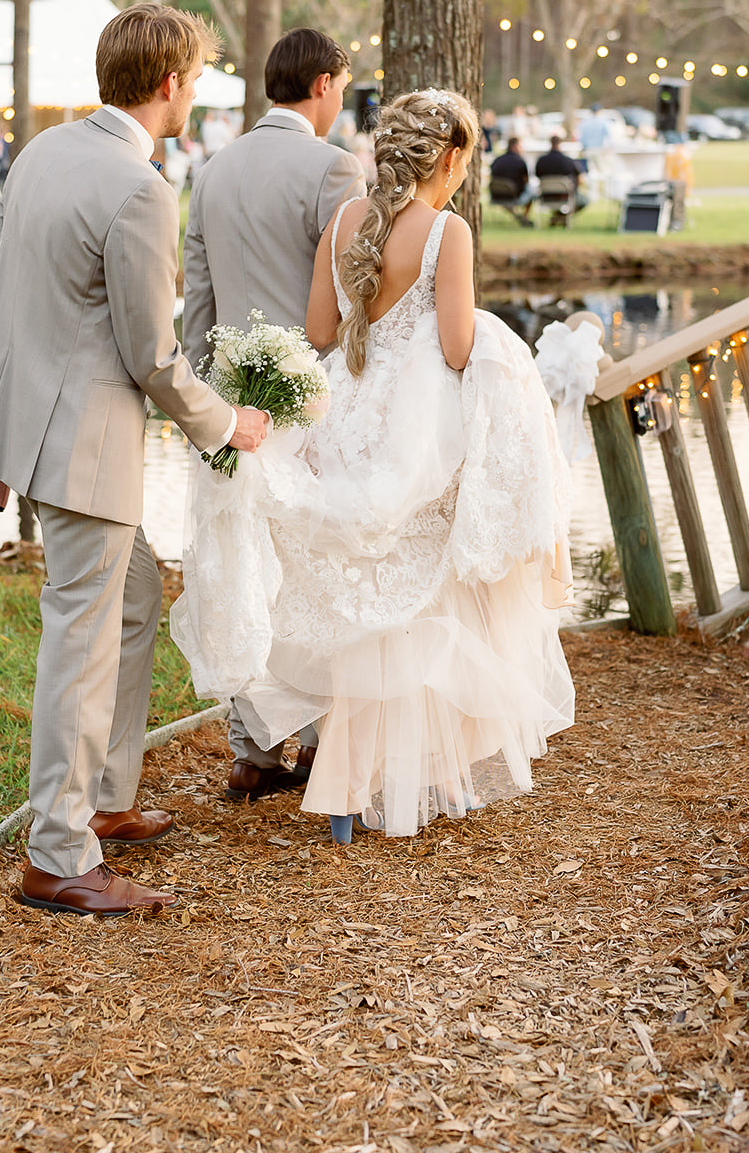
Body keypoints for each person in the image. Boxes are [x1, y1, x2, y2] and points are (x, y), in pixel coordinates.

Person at [174, 90, 575, 841]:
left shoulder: (343, 222)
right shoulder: (445, 233)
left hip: (348, 408)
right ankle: (382, 771)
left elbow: (321, 329)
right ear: (450, 158)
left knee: (361, 586)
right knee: (420, 590)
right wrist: (499, 355)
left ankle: (349, 783)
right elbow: (456, 348)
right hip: (416, 421)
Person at [0, 4, 269, 918]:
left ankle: (108, 797)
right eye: (198, 77)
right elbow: (152, 355)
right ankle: (57, 853)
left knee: (131, 597)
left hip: (38, 433)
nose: (197, 91)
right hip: (86, 451)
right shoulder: (141, 190)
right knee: (79, 643)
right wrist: (225, 425)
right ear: (170, 84)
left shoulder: (44, 151)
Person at [183, 27, 366, 802]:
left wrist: (204, 402)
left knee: (239, 563)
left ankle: (250, 751)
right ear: (323, 84)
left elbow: (198, 299)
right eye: (343, 85)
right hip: (311, 398)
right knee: (314, 565)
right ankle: (323, 744)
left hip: (227, 400)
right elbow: (350, 294)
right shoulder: (333, 168)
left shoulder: (213, 168)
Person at [534, 134, 589, 221]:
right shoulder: (568, 161)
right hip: (564, 196)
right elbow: (579, 178)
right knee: (585, 200)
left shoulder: (541, 161)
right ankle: (560, 217)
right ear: (560, 144)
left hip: (546, 196)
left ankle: (558, 217)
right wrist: (574, 189)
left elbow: (537, 176)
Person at [490, 136, 534, 218]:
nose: (522, 149)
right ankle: (524, 216)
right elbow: (526, 181)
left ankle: (519, 216)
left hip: (496, 195)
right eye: (520, 146)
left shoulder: (497, 160)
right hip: (513, 196)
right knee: (532, 191)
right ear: (515, 146)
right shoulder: (520, 162)